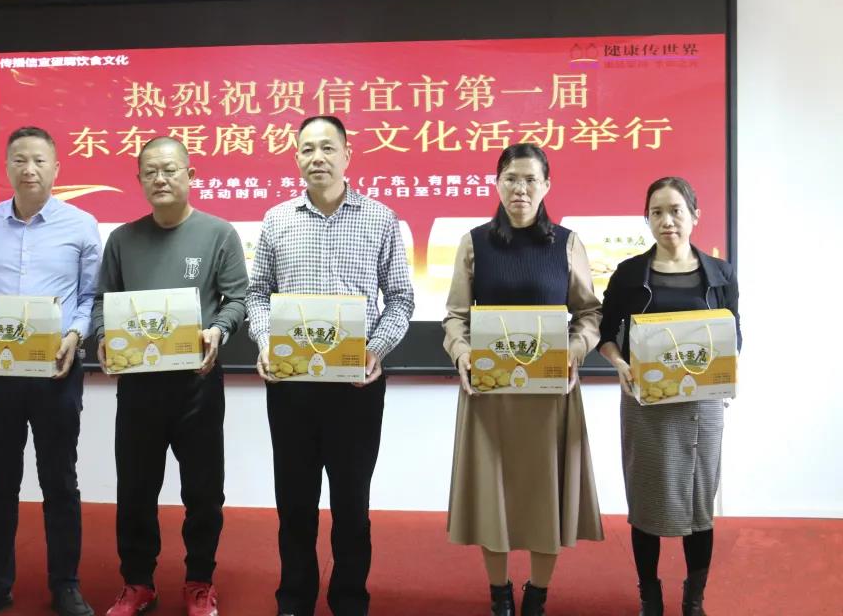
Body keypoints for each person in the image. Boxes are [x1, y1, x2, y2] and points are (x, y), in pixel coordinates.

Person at [245, 115, 414, 616]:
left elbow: (400, 298)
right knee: (294, 503)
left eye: (327, 148)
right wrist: (265, 341)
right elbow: (257, 294)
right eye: (307, 149)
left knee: (351, 506)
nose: (316, 157)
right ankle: (294, 599)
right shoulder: (277, 219)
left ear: (347, 155)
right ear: (296, 157)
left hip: (355, 387)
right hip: (292, 387)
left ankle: (349, 600)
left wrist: (376, 349)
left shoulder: (380, 218)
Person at [441, 143, 603, 616]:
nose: (520, 188)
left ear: (546, 186)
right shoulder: (474, 243)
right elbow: (455, 317)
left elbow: (589, 314)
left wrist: (573, 352)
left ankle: (537, 594)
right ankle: (499, 594)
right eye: (511, 178)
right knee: (491, 497)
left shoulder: (567, 243)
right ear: (497, 183)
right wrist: (463, 354)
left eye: (531, 179)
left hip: (550, 394)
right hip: (490, 395)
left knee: (545, 498)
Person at [91, 137, 248, 616]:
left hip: (197, 384)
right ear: (139, 179)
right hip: (139, 387)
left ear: (190, 175)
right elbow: (101, 301)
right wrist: (103, 336)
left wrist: (219, 331)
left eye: (170, 170)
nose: (160, 179)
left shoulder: (219, 233)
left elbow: (237, 299)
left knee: (203, 491)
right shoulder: (122, 239)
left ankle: (199, 580)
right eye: (150, 172)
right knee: (135, 491)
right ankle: (137, 583)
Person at [0, 126, 101, 616]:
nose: (29, 169)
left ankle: (66, 585)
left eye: (39, 160)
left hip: (57, 371)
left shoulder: (81, 225)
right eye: (19, 159)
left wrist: (75, 334)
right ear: (7, 167)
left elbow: (90, 296)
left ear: (56, 168)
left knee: (60, 480)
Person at [598, 176, 740, 616]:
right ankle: (650, 596)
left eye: (676, 210)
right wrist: (619, 363)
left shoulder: (720, 274)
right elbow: (606, 334)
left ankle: (693, 599)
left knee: (700, 506)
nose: (666, 221)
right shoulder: (629, 274)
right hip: (646, 405)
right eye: (656, 212)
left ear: (695, 215)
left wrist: (723, 372)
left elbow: (735, 335)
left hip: (701, 406)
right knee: (646, 503)